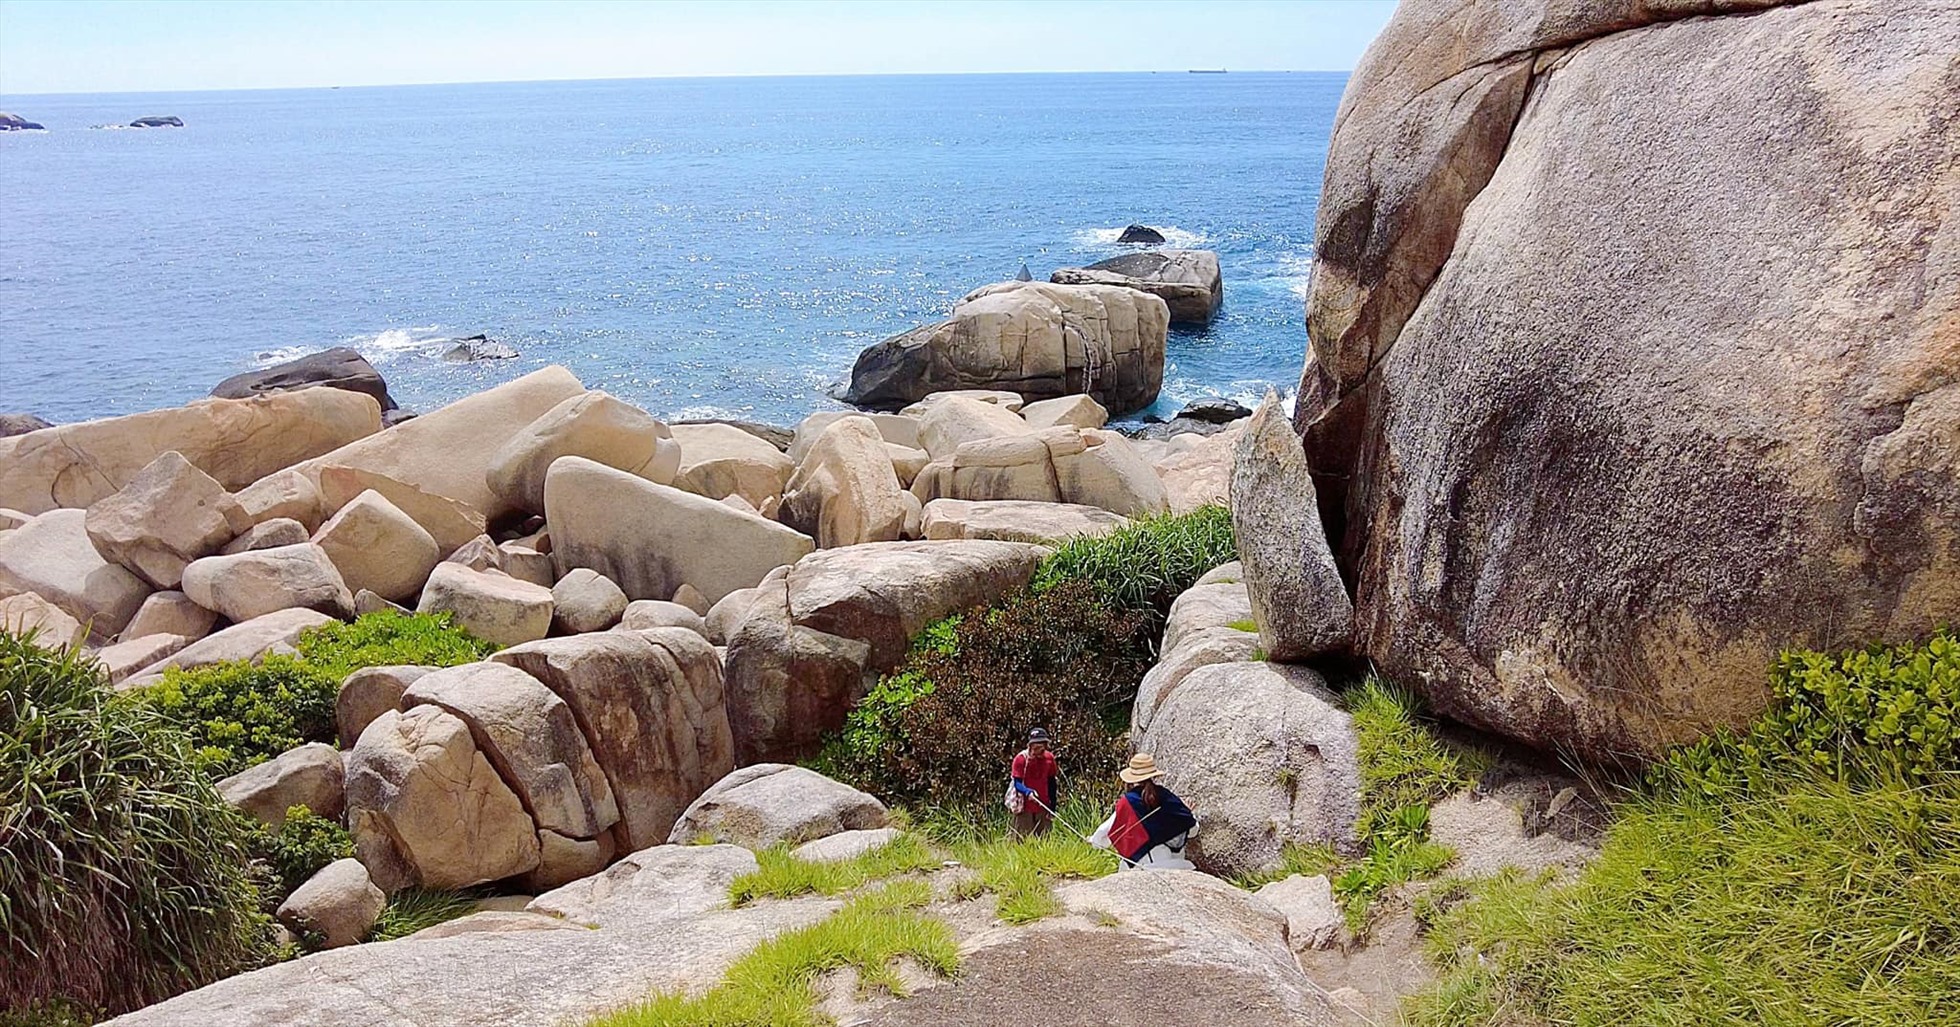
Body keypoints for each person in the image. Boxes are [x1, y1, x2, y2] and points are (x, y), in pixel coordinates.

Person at [1090, 753, 1198, 870]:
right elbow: (1193, 830)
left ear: (1131, 779)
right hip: (1177, 865)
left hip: (1143, 867)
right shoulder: (1167, 798)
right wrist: (1187, 811)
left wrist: (1093, 841)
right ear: (1153, 775)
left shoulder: (1127, 802)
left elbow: (1104, 832)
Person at [1009, 727, 1058, 838]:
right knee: (1020, 839)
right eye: (1035, 747)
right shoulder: (1021, 759)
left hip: (1043, 805)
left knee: (1044, 838)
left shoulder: (1049, 759)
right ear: (1030, 746)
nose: (1038, 751)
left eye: (1041, 747)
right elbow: (1017, 783)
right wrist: (1028, 792)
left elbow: (1052, 783)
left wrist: (1052, 806)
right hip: (1024, 807)